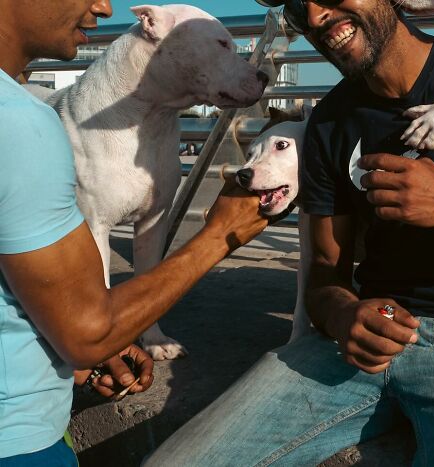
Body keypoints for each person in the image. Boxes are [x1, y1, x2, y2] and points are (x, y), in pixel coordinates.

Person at [144, 0, 434, 465]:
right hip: (365, 334)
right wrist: (345, 316)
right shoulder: (330, 120)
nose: (317, 17)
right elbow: (326, 272)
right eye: (300, 9)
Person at [0, 0, 269, 464]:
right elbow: (87, 330)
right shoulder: (24, 125)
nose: (105, 6)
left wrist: (92, 356)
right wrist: (219, 234)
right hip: (19, 435)